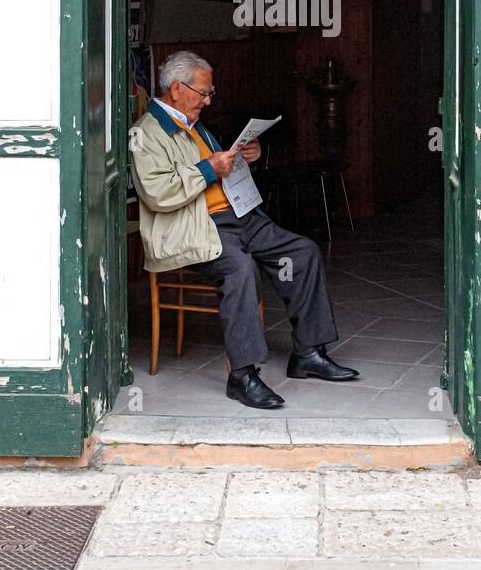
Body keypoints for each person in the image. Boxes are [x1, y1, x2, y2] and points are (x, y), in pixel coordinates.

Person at [129, 50, 359, 408]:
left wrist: (244, 158)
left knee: (302, 252)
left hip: (239, 218)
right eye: (202, 93)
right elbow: (157, 193)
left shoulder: (194, 125)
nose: (207, 101)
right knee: (240, 268)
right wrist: (208, 168)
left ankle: (308, 354)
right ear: (176, 89)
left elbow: (219, 176)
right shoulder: (147, 133)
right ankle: (243, 375)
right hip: (196, 229)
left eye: (209, 93)